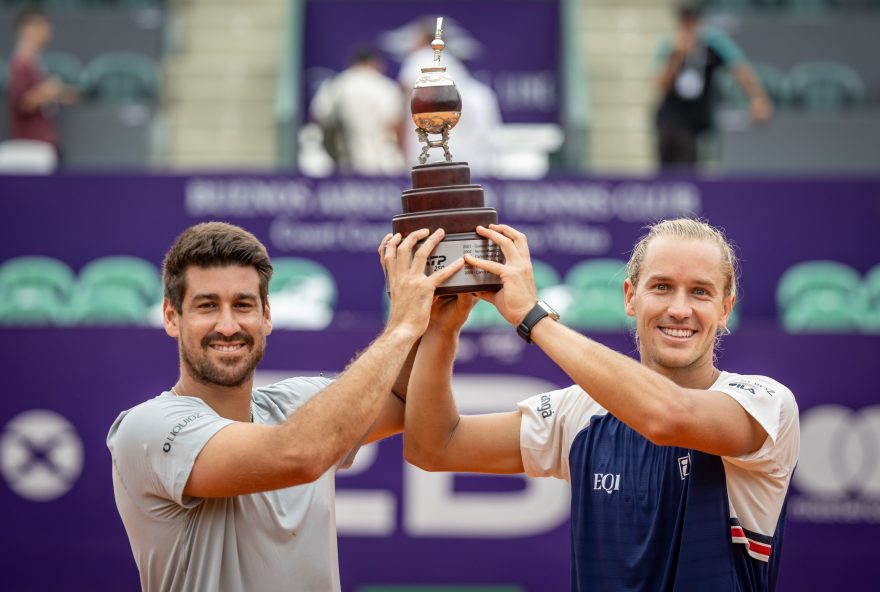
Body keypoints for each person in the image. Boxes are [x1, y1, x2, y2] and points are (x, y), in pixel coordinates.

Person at [404, 219, 800, 591]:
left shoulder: (766, 404)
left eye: (700, 291)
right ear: (631, 297)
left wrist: (533, 317)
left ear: (725, 308)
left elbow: (667, 417)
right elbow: (434, 446)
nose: (679, 309)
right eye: (661, 287)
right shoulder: (580, 412)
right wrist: (441, 326)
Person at [107, 222, 462, 591]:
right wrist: (402, 326)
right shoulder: (145, 427)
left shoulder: (297, 404)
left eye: (243, 305)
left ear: (266, 317)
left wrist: (439, 324)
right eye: (207, 306)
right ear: (171, 317)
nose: (227, 325)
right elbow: (299, 454)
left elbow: (408, 400)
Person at [653, 4, 772, 169]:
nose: (688, 28)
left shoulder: (713, 43)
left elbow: (740, 69)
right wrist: (678, 56)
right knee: (665, 169)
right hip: (669, 118)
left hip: (696, 120)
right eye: (684, 23)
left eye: (691, 22)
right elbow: (660, 85)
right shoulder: (669, 46)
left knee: (689, 167)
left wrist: (757, 97)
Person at [309, 46, 405, 175]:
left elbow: (318, 117)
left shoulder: (335, 85)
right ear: (375, 63)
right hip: (383, 164)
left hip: (344, 165)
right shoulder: (386, 87)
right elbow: (395, 124)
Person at [7, 6, 77, 160]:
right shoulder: (20, 63)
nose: (46, 32)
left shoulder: (34, 62)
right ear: (27, 29)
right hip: (30, 145)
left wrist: (60, 94)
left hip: (45, 141)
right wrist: (49, 90)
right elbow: (24, 102)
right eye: (41, 26)